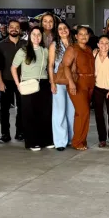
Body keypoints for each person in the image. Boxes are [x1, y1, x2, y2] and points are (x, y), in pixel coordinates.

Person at [11, 28, 54, 152]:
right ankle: (32, 142)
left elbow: (50, 67)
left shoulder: (45, 51)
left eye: (39, 34)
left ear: (42, 36)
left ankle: (46, 140)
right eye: (34, 34)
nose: (36, 37)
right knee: (29, 114)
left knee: (45, 113)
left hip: (43, 84)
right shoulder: (23, 51)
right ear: (29, 36)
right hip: (28, 84)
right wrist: (18, 84)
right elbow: (13, 68)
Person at [61, 26, 96, 150]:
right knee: (83, 112)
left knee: (83, 113)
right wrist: (71, 82)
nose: (84, 36)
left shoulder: (89, 48)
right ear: (76, 36)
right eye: (81, 34)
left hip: (90, 83)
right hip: (77, 83)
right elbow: (66, 66)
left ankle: (82, 140)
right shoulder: (72, 49)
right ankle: (77, 142)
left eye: (86, 34)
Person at [0, 20, 26, 143]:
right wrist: (0, 81)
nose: (14, 29)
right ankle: (5, 134)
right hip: (6, 80)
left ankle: (20, 132)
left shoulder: (26, 44)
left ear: (20, 30)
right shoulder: (0, 45)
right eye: (11, 27)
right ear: (8, 29)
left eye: (17, 27)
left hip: (22, 81)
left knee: (22, 108)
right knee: (4, 109)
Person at [48, 21, 75, 150]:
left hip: (73, 81)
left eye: (65, 28)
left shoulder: (74, 44)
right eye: (60, 29)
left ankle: (71, 138)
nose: (63, 30)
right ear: (57, 32)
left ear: (69, 29)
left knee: (72, 111)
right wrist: (52, 82)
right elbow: (50, 65)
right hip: (59, 81)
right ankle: (60, 141)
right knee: (59, 111)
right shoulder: (54, 45)